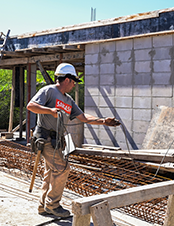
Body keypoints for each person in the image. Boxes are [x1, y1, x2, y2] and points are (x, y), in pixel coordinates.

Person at [27, 63, 120, 217]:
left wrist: (103, 121)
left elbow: (83, 117)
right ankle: (53, 205)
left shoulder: (68, 100)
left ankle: (43, 206)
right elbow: (31, 106)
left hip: (57, 140)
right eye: (74, 82)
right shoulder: (48, 91)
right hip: (45, 138)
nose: (74, 85)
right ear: (68, 79)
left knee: (51, 172)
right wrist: (50, 110)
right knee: (62, 169)